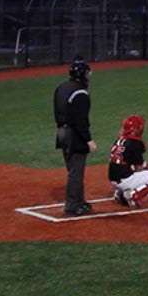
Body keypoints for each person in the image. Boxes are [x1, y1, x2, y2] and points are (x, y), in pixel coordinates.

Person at [53, 57, 97, 216]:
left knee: (73, 169)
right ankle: (72, 205)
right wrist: (88, 139)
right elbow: (81, 120)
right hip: (74, 134)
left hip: (62, 132)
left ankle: (79, 201)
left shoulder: (62, 88)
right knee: (76, 171)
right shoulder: (80, 93)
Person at [108, 114, 148, 208]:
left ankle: (119, 193)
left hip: (113, 180)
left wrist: (146, 165)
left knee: (125, 169)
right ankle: (133, 195)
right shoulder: (135, 143)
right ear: (135, 129)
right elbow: (138, 168)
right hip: (124, 180)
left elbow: (127, 161)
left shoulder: (120, 140)